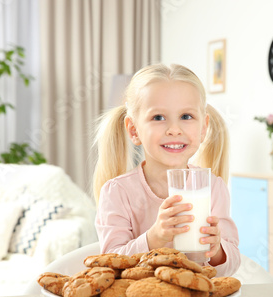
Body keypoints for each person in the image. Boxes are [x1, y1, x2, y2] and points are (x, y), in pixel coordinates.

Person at [92, 63, 240, 276]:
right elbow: (111, 265)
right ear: (134, 130)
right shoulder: (117, 192)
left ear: (203, 128)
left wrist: (217, 251)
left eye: (186, 116)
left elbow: (232, 263)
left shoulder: (213, 187)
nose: (174, 130)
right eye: (158, 117)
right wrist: (154, 238)